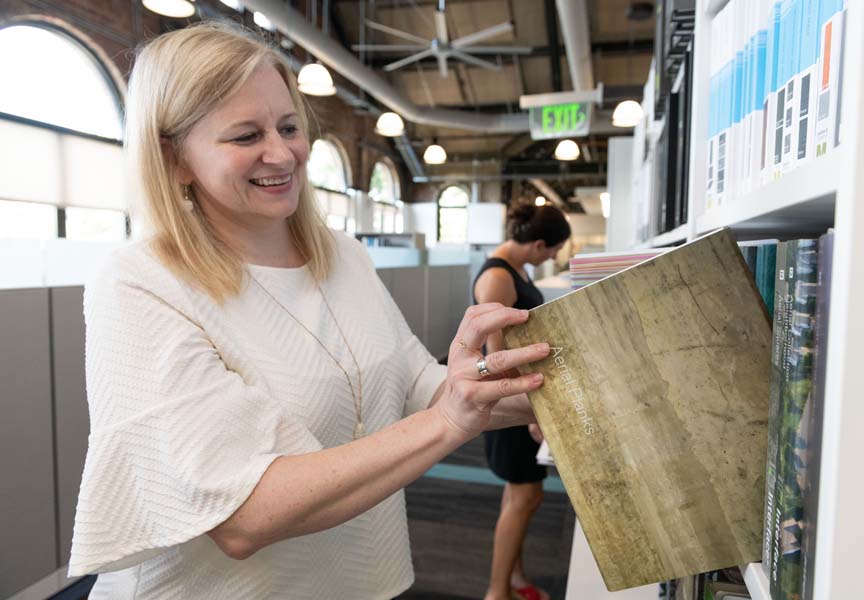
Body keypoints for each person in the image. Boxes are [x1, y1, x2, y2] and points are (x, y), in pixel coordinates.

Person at [68, 22, 551, 599]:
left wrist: (541, 386)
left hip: (358, 581)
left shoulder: (343, 256)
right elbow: (243, 515)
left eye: (289, 126)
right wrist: (447, 420)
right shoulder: (141, 282)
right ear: (175, 159)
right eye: (245, 136)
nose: (283, 152)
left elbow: (419, 382)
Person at [473, 202, 571, 600]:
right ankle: (497, 593)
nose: (552, 258)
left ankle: (513, 579)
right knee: (525, 495)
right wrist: (532, 411)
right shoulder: (497, 276)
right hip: (509, 401)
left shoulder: (514, 271)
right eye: (552, 251)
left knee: (521, 495)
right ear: (539, 243)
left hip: (516, 398)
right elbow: (496, 357)